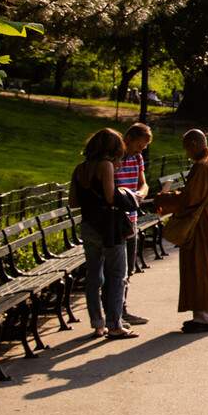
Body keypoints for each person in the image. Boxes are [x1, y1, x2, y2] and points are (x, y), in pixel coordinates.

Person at [156, 129, 208, 333]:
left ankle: (205, 317)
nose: (186, 153)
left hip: (200, 226)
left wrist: (165, 199)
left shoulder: (202, 166)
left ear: (195, 144)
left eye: (187, 148)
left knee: (200, 267)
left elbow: (190, 199)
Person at [72, 128, 137, 339]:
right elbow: (110, 197)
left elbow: (73, 202)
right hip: (108, 228)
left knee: (94, 276)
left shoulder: (80, 169)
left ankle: (98, 324)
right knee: (117, 275)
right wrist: (125, 194)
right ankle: (115, 324)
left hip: (88, 226)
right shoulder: (106, 166)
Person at [114, 122, 154, 324]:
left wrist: (141, 193)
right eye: (140, 145)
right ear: (128, 139)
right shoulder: (114, 159)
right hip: (116, 221)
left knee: (128, 268)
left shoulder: (137, 158)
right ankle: (114, 314)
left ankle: (122, 310)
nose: (142, 150)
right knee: (116, 270)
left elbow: (143, 183)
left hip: (132, 219)